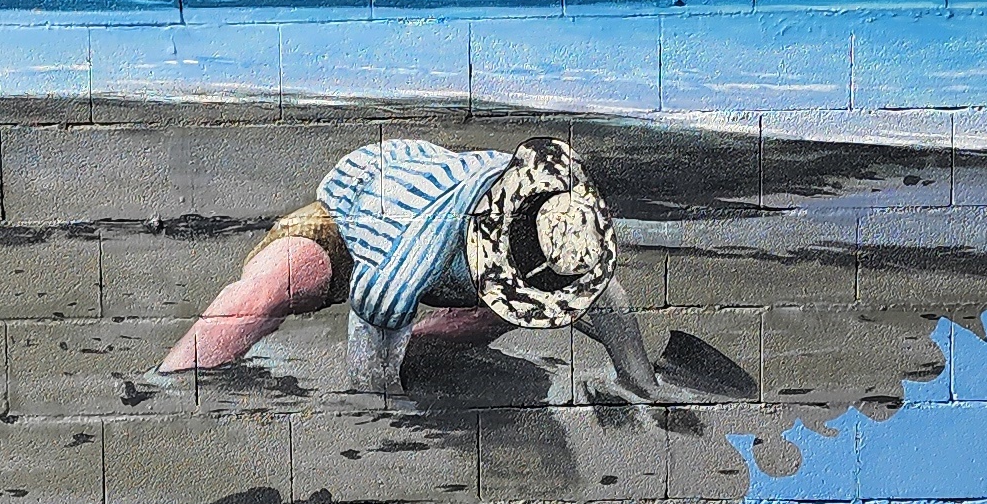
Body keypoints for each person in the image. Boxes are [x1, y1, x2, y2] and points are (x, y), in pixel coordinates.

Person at [159, 136, 688, 402]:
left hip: (456, 271)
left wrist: (641, 383)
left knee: (501, 318)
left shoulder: (553, 224)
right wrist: (388, 404)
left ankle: (424, 349)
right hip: (356, 217)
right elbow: (371, 351)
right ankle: (175, 379)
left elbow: (607, 301)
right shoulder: (408, 252)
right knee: (271, 288)